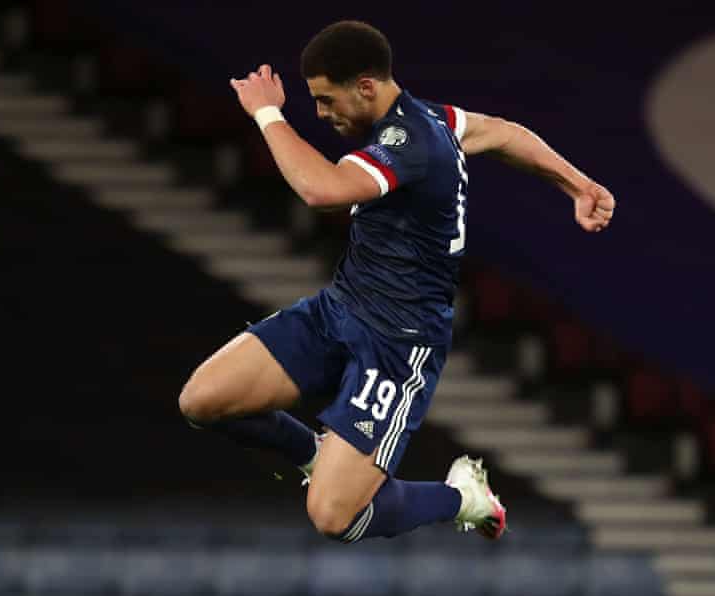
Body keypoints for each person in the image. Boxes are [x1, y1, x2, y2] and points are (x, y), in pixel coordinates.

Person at [178, 20, 615, 543]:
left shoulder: (413, 141)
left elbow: (323, 190)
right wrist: (578, 185)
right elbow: (501, 132)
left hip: (396, 345)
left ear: (366, 87)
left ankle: (463, 499)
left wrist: (267, 113)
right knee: (202, 401)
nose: (321, 113)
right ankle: (317, 454)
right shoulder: (434, 119)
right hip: (340, 309)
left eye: (325, 100)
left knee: (332, 517)